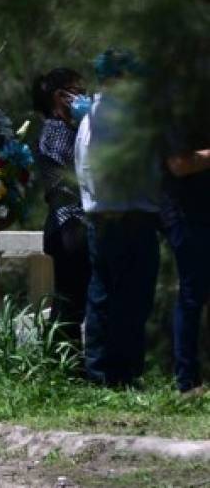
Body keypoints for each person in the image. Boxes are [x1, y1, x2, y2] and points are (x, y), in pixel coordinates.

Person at [75, 49, 161, 388]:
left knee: (103, 295)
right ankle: (123, 373)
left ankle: (101, 370)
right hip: (128, 215)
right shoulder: (121, 117)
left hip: (102, 216)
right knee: (131, 298)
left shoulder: (90, 117)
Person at [33, 68, 91, 348]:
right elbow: (71, 180)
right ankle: (61, 360)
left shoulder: (71, 130)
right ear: (60, 96)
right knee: (69, 302)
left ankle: (69, 360)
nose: (83, 96)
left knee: (74, 300)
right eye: (77, 90)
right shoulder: (55, 133)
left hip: (76, 226)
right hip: (69, 225)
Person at [162, 131, 210, 393]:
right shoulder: (177, 110)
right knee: (192, 294)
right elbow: (179, 164)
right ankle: (187, 380)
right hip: (187, 215)